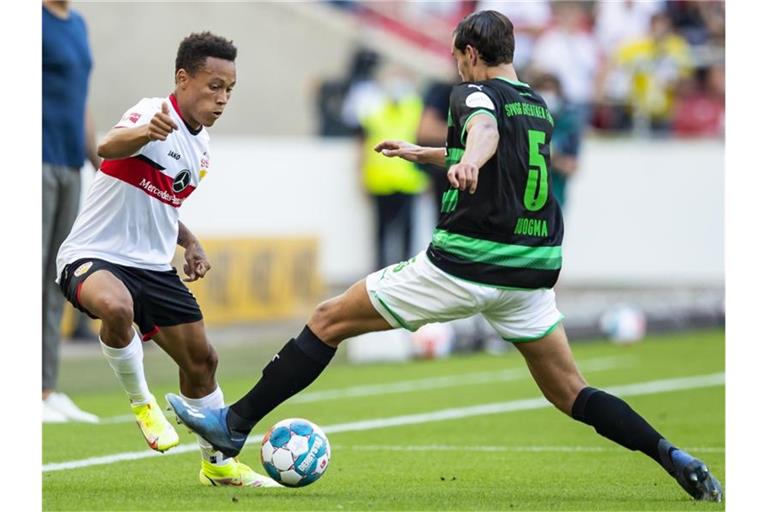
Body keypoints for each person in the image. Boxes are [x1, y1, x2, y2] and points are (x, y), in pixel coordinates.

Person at [168, 11, 722, 502]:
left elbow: (481, 130)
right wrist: (429, 153)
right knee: (570, 391)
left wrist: (470, 158)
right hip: (530, 272)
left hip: (467, 264)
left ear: (472, 55)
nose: (458, 70)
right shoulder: (536, 104)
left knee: (327, 319)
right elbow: (494, 144)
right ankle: (673, 456)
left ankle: (234, 425)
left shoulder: (471, 94)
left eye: (459, 60)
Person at [56, 31, 274, 488]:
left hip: (153, 268)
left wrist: (189, 241)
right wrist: (143, 132)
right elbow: (109, 147)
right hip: (93, 255)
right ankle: (142, 404)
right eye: (214, 86)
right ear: (183, 78)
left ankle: (218, 466)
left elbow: (161, 202)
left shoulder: (202, 147)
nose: (222, 98)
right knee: (116, 309)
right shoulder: (153, 112)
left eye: (230, 89)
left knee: (203, 362)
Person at [42, 0, 100, 423]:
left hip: (69, 164)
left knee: (53, 280)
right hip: (34, 160)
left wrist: (101, 160)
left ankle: (45, 387)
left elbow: (81, 99)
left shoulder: (77, 24)